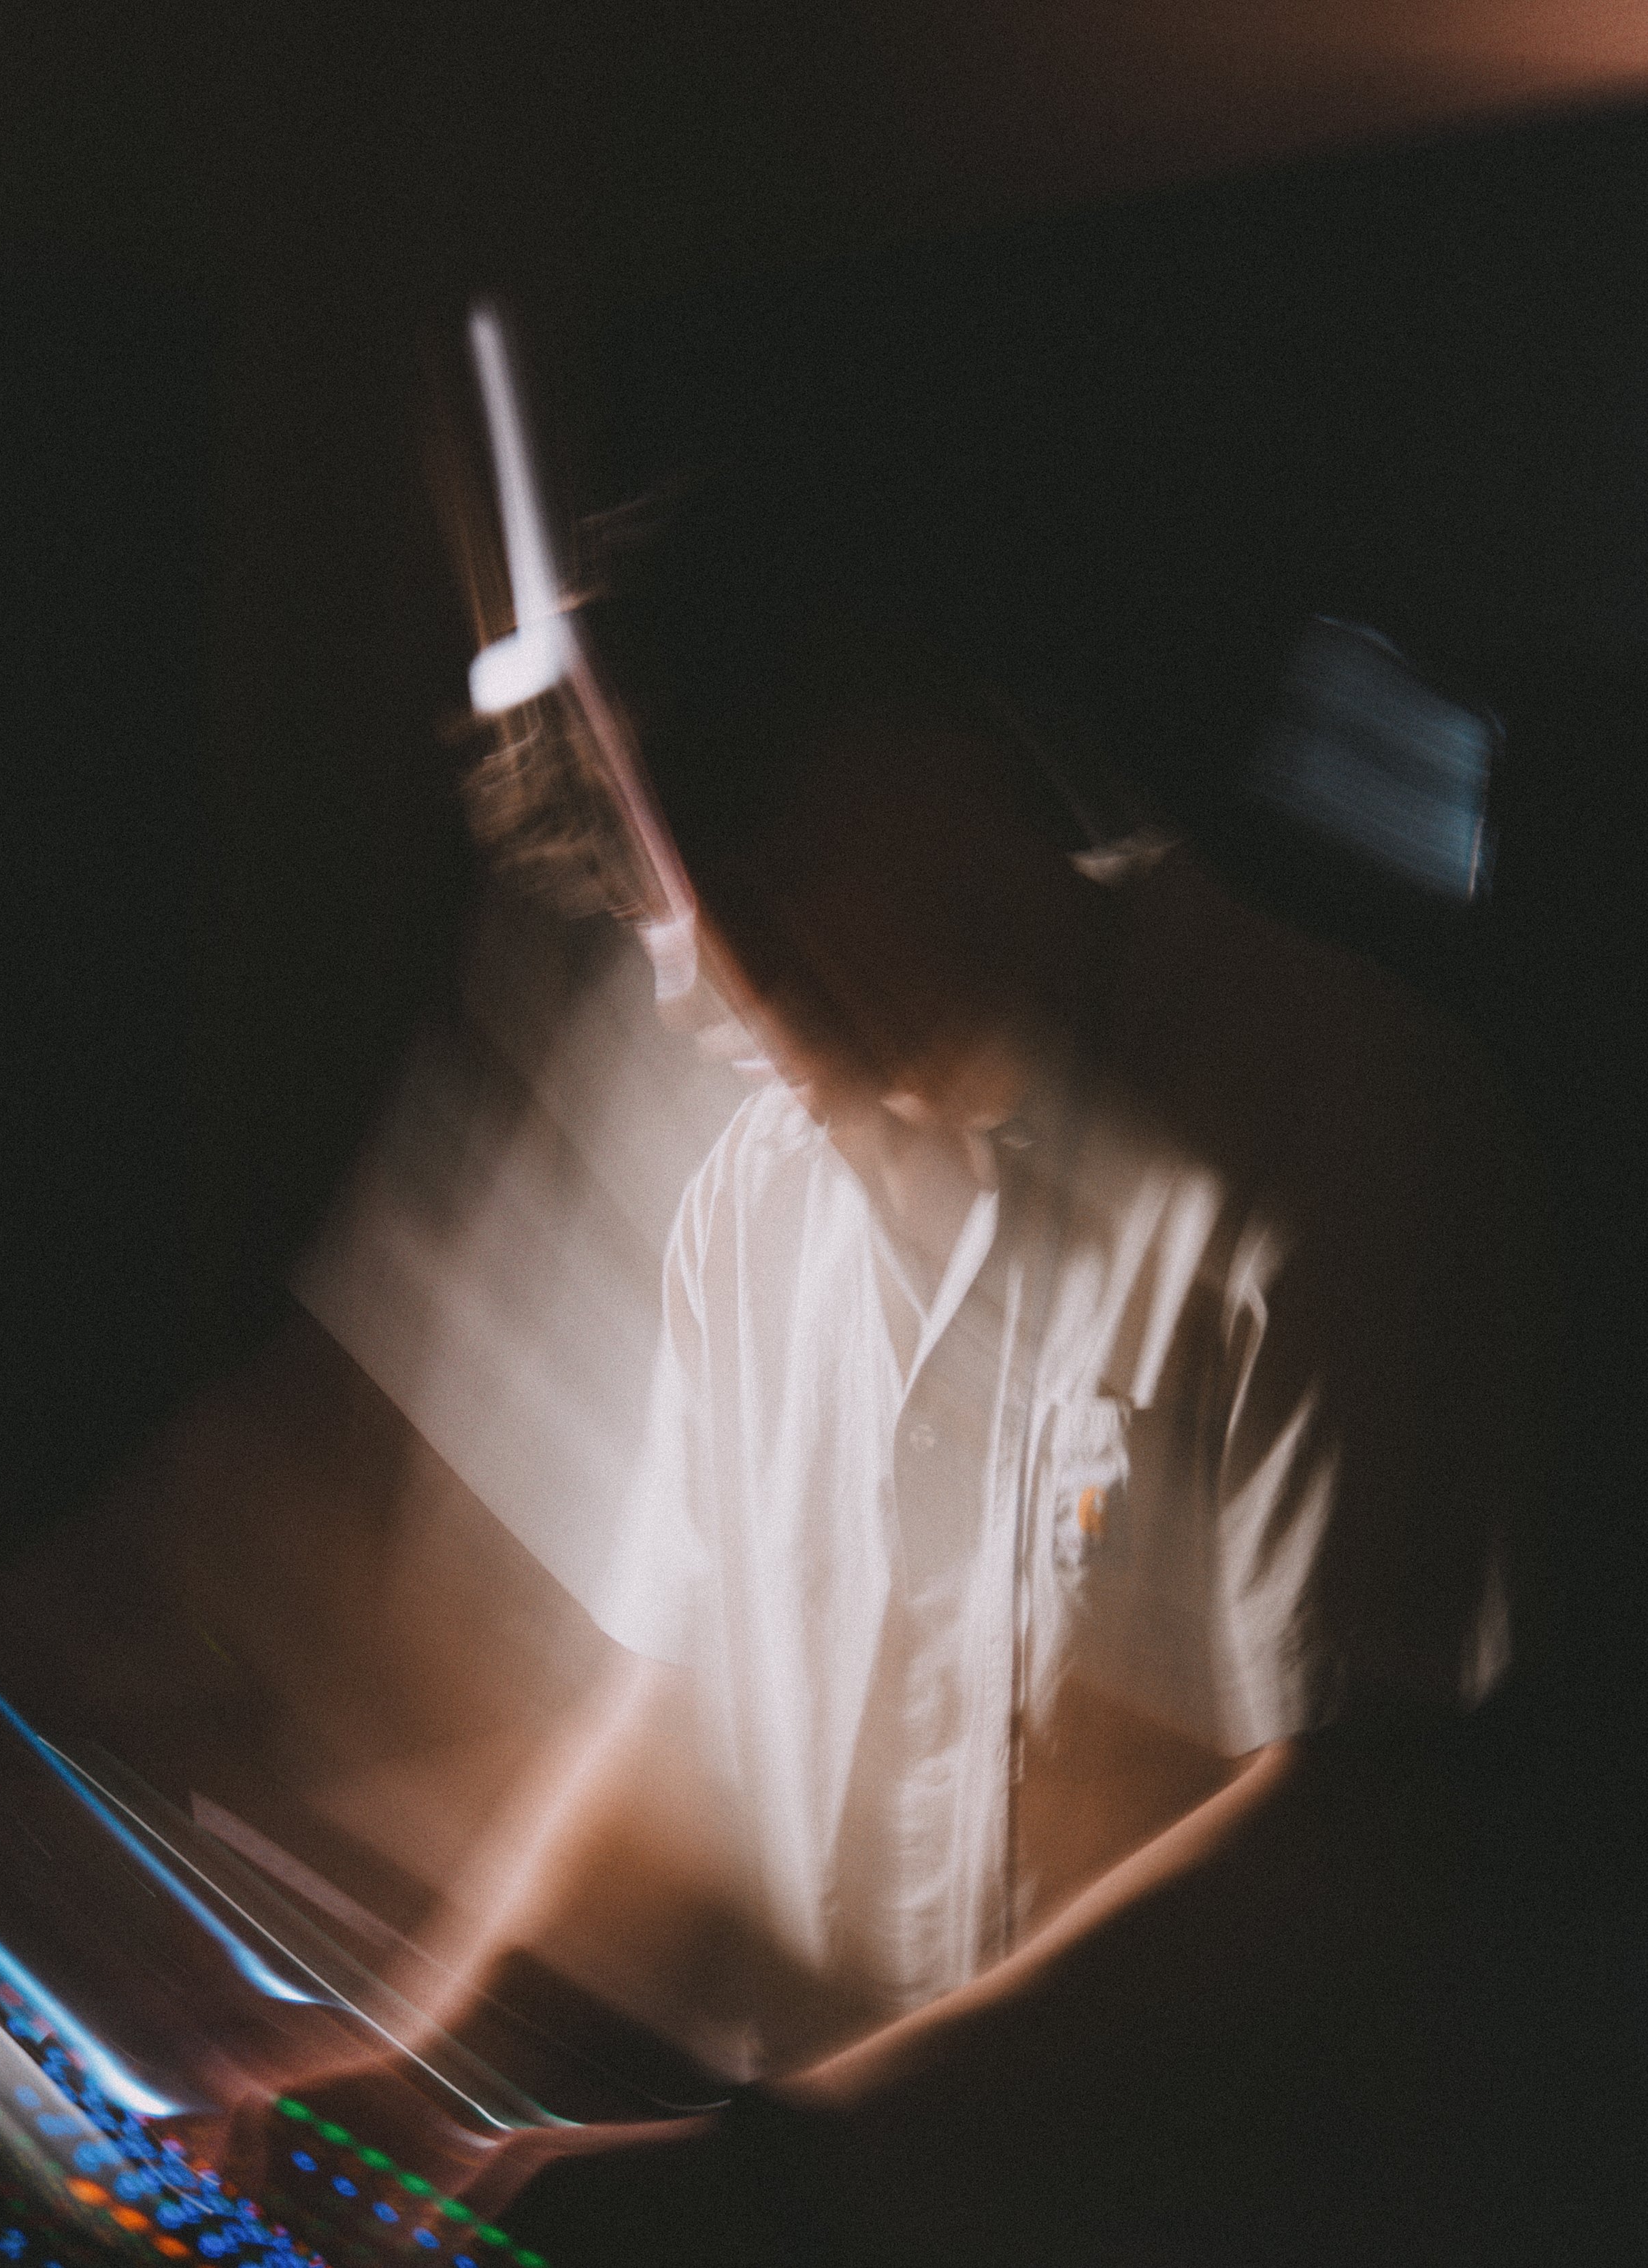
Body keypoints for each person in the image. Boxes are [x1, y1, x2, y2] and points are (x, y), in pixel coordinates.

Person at [457, 495, 1549, 2266]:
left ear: (945, 742)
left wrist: (773, 2167)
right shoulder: (747, 1200)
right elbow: (667, 1700)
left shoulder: (1332, 1115)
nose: (699, 973)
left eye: (750, 853)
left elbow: (1339, 1833)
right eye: (657, 890)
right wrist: (425, 2057)